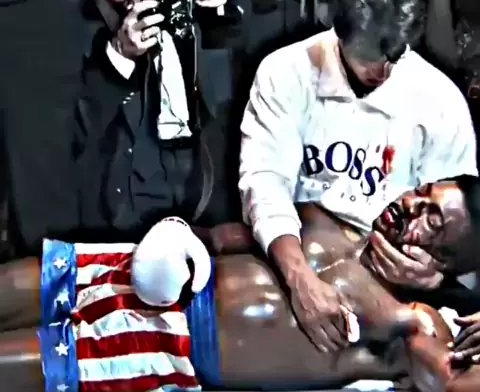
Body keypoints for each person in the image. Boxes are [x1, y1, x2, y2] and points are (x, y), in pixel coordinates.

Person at [2, 175, 480, 392]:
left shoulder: (411, 321)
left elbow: (453, 383)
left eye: (432, 220)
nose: (411, 206)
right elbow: (223, 236)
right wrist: (175, 234)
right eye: (422, 193)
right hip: (149, 273)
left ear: (446, 260)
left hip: (163, 346)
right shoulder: (330, 217)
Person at [239, 0, 478, 353]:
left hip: (388, 286)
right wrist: (300, 280)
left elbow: (460, 226)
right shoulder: (285, 71)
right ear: (339, 33)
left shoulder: (441, 102)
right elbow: (265, 185)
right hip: (297, 254)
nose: (382, 72)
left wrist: (434, 277)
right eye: (370, 60)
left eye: (393, 57)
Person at [0, 0, 235, 255]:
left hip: (179, 219)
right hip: (98, 232)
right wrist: (118, 58)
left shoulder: (177, 1)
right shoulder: (54, 29)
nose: (137, 6)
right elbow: (63, 142)